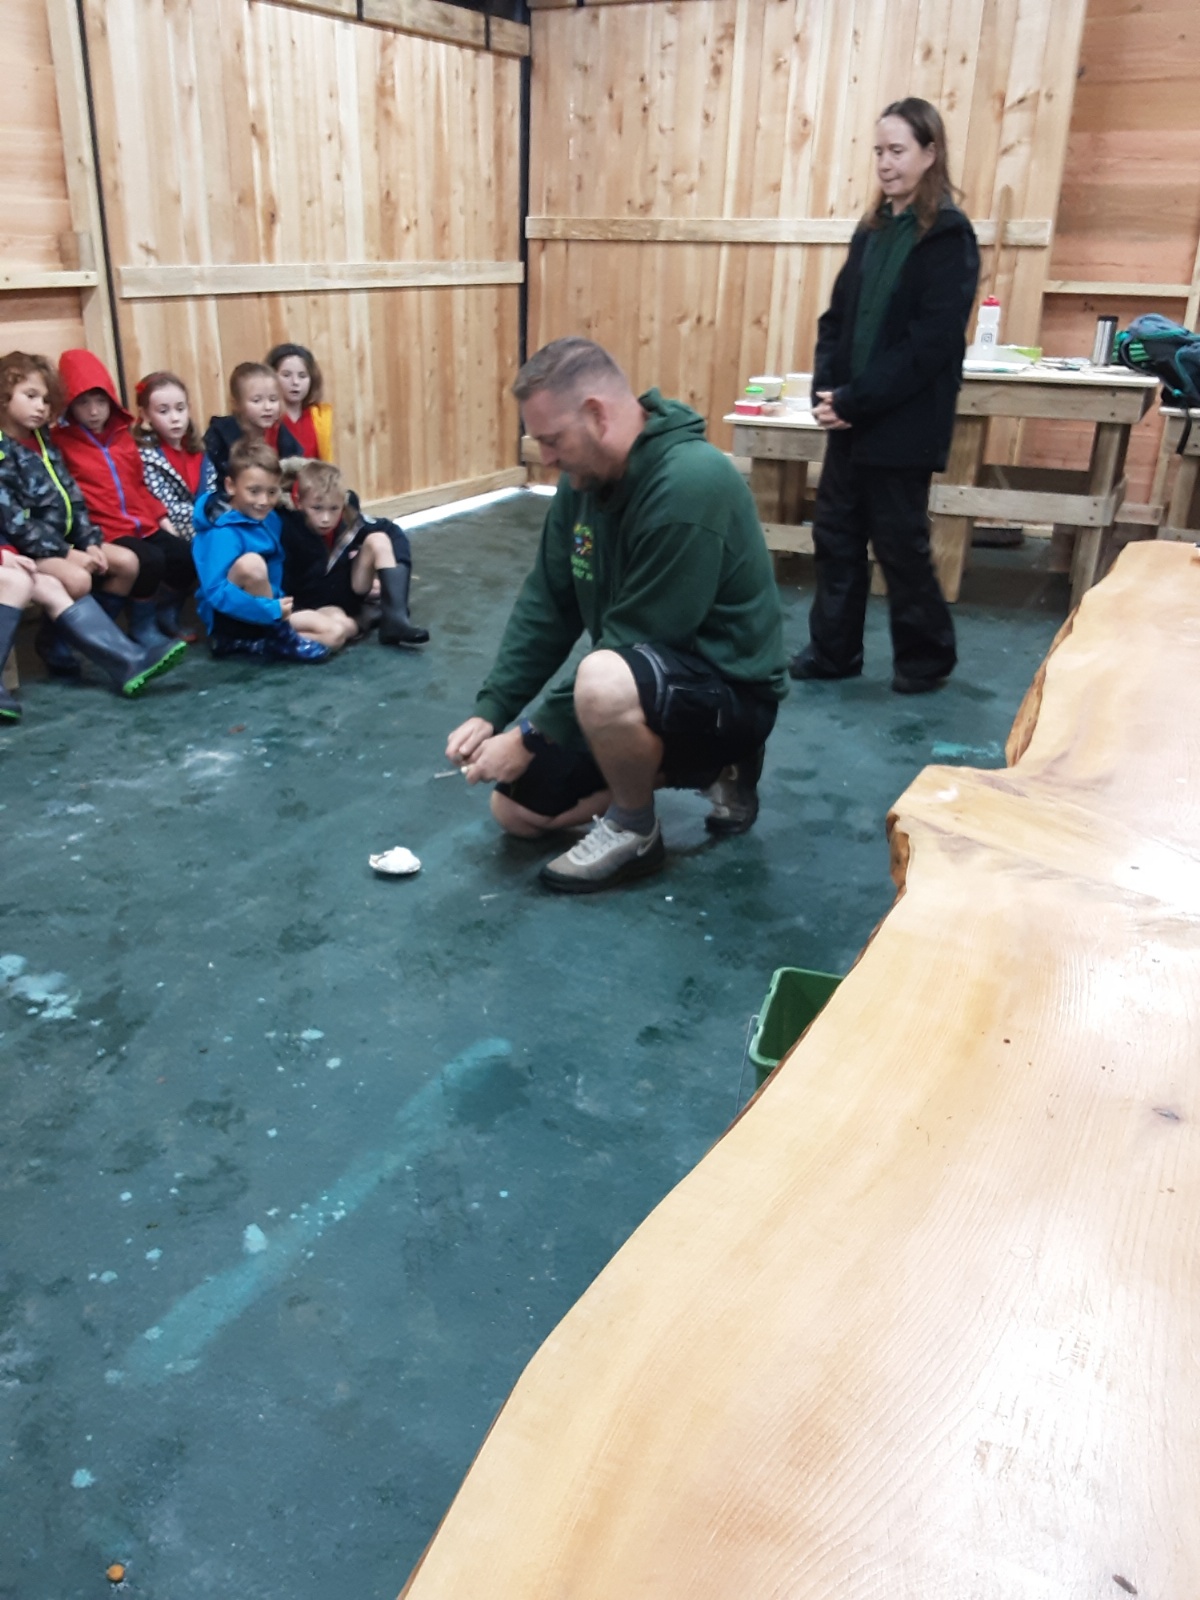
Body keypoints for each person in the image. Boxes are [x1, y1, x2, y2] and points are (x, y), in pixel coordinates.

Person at [445, 337, 787, 894]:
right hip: (649, 683)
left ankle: (636, 828)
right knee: (517, 811)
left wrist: (528, 737)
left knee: (602, 680)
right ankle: (707, 771)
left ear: (597, 415)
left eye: (552, 440)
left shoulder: (690, 482)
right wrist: (494, 709)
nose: (545, 458)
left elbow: (640, 634)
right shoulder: (581, 483)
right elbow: (549, 603)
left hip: (729, 692)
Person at [788, 96, 979, 694]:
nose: (885, 163)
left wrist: (856, 400)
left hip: (902, 422)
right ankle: (834, 651)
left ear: (930, 153)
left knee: (899, 545)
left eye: (897, 150)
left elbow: (928, 345)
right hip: (851, 415)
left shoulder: (949, 237)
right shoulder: (871, 231)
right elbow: (836, 319)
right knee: (835, 535)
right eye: (879, 151)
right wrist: (827, 391)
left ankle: (926, 659)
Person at [0, 351, 184, 690]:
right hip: (28, 547)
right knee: (78, 579)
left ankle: (79, 646)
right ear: (3, 396)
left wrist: (89, 541)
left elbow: (72, 495)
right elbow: (15, 522)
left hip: (61, 540)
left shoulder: (42, 439)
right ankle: (80, 648)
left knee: (126, 563)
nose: (40, 407)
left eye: (45, 400)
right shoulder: (3, 450)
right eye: (30, 396)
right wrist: (66, 552)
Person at [54, 349, 196, 649]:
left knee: (185, 556)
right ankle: (140, 627)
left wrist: (160, 517)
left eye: (100, 401)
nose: (94, 411)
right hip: (105, 528)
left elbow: (138, 484)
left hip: (141, 521)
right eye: (83, 403)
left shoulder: (122, 437)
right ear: (70, 405)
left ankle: (164, 613)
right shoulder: (62, 442)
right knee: (149, 560)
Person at [191, 438, 348, 662]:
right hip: (234, 618)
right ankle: (258, 638)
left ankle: (261, 644)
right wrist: (270, 610)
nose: (264, 501)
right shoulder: (221, 532)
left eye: (272, 492)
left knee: (336, 633)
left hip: (269, 611)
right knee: (252, 564)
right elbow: (216, 592)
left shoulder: (270, 518)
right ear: (231, 486)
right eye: (254, 491)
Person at [279, 460, 429, 646]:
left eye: (334, 509)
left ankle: (396, 619)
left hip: (345, 593)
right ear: (298, 502)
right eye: (317, 508)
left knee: (379, 539)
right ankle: (364, 621)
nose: (326, 518)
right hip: (308, 604)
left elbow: (393, 531)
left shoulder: (348, 518)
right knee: (342, 628)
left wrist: (389, 578)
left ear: (342, 505)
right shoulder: (286, 525)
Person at [133, 370, 215, 638]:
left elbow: (212, 492)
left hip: (201, 522)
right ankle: (166, 610)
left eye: (180, 409)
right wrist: (205, 520)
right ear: (146, 415)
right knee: (191, 553)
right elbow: (163, 503)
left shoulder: (198, 452)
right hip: (171, 527)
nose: (175, 418)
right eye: (163, 411)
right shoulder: (147, 455)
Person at [203, 362, 303, 489]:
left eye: (273, 399)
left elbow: (293, 473)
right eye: (257, 400)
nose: (267, 407)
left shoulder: (281, 434)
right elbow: (210, 483)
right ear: (237, 403)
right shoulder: (220, 436)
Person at [266, 343, 333, 461]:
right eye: (286, 375)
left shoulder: (319, 418)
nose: (295, 382)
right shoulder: (266, 417)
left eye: (302, 376)